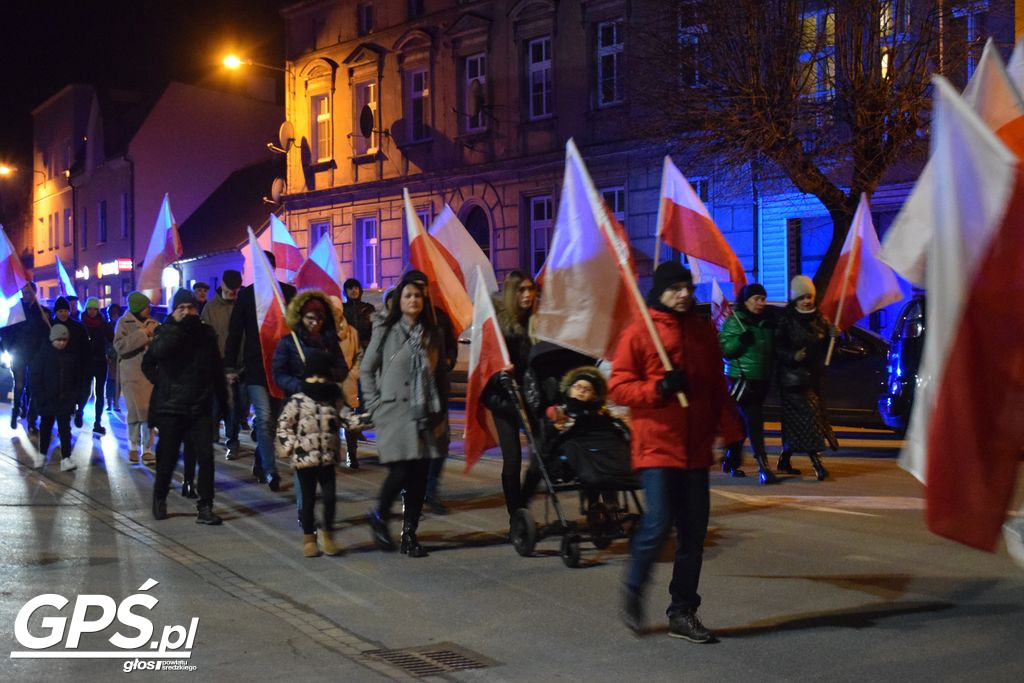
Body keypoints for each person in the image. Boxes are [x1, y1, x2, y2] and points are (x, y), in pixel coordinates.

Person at [609, 261, 743, 643]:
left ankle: (682, 611)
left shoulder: (702, 333)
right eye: (675, 288)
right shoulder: (640, 331)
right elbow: (618, 387)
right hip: (656, 447)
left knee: (693, 533)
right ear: (660, 292)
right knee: (658, 521)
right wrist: (658, 390)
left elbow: (718, 389)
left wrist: (733, 435)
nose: (684, 293)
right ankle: (633, 589)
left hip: (696, 450)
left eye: (688, 287)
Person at [362, 279, 447, 558]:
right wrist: (375, 405)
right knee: (399, 472)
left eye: (418, 296)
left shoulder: (432, 333)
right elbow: (367, 370)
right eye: (408, 295)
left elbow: (439, 376)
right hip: (394, 412)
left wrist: (440, 412)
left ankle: (409, 534)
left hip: (424, 414)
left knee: (419, 478)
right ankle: (380, 515)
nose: (413, 300)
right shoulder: (385, 330)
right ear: (399, 300)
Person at [143, 288, 228, 525]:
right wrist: (162, 382)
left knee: (206, 457)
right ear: (173, 311)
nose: (186, 312)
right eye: (181, 308)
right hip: (171, 407)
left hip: (200, 406)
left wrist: (224, 404)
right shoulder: (165, 332)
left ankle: (205, 506)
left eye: (190, 308)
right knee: (167, 457)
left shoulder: (206, 334)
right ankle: (160, 496)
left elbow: (216, 369)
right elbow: (150, 361)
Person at [273, 289, 348, 523]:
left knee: (325, 464)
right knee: (303, 462)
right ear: (301, 318)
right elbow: (279, 373)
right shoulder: (289, 343)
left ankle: (325, 519)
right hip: (300, 409)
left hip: (324, 408)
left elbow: (341, 368)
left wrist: (326, 378)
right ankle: (303, 510)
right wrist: (300, 385)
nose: (315, 323)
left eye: (319, 319)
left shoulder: (329, 342)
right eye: (310, 319)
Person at [224, 252, 297, 490]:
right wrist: (230, 365)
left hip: (282, 369)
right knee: (264, 418)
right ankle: (270, 471)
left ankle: (260, 459)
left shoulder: (287, 293)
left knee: (274, 421)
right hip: (256, 367)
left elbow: (296, 331)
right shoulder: (246, 296)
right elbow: (235, 332)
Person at [276, 350, 346, 557]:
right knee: (307, 500)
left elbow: (347, 418)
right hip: (305, 459)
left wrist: (371, 418)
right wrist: (290, 446)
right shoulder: (297, 400)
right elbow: (283, 425)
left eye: (321, 376)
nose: (317, 381)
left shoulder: (333, 398)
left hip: (327, 458)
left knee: (330, 498)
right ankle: (309, 537)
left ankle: (328, 534)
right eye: (312, 376)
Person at [402, 269, 457, 515]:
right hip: (410, 395)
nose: (419, 293)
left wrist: (446, 362)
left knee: (439, 444)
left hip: (438, 391)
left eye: (422, 287)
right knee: (414, 447)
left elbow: (452, 349)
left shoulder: (440, 318)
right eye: (413, 288)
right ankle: (412, 492)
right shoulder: (401, 322)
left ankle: (431, 492)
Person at [774, 275, 839, 481]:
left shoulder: (821, 319)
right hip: (793, 380)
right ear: (794, 299)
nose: (806, 301)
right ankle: (817, 463)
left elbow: (828, 350)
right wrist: (793, 356)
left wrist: (834, 337)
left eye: (809, 296)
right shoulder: (786, 319)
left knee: (799, 422)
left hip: (814, 378)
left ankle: (785, 458)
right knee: (809, 419)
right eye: (801, 297)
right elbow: (776, 348)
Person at [484, 270, 538, 518]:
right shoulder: (498, 323)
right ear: (512, 292)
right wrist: (500, 374)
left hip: (531, 398)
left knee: (541, 455)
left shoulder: (538, 322)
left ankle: (523, 504)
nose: (527, 295)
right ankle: (515, 515)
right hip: (503, 398)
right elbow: (485, 361)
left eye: (531, 289)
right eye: (522, 290)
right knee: (513, 459)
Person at [719, 283, 778, 484]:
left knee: (743, 425)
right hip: (741, 380)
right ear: (745, 301)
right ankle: (764, 466)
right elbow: (725, 349)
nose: (760, 303)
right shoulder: (736, 321)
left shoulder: (767, 321)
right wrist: (741, 341)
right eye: (756, 299)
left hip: (761, 379)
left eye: (763, 299)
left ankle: (730, 460)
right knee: (755, 421)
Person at [201, 269, 246, 460]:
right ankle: (220, 436)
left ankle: (232, 440)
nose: (232, 293)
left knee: (238, 405)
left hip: (241, 364)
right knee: (220, 404)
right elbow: (204, 337)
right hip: (218, 365)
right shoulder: (210, 308)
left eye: (235, 290)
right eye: (229, 289)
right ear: (222, 285)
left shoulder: (243, 305)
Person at [113, 291, 159, 464]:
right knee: (133, 410)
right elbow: (120, 346)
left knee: (148, 412)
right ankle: (133, 444)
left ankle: (147, 449)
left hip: (149, 376)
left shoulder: (154, 323)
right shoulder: (123, 323)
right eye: (146, 307)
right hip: (131, 373)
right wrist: (142, 334)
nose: (149, 310)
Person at [29, 324, 80, 472]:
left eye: (64, 340)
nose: (62, 343)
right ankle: (42, 453)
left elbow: (75, 378)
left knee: (65, 429)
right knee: (45, 428)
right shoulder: (43, 355)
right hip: (48, 399)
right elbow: (35, 377)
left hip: (65, 399)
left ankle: (66, 457)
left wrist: (74, 396)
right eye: (59, 340)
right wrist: (41, 397)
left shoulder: (70, 356)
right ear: (52, 339)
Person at [1, 282, 50, 433]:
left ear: (35, 293)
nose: (26, 295)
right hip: (19, 352)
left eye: (29, 292)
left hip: (36, 353)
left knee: (34, 387)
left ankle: (31, 419)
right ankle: (16, 410)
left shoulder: (41, 311)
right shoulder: (16, 310)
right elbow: (6, 331)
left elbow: (49, 332)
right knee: (20, 384)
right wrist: (5, 350)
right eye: (24, 292)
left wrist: (46, 319)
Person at [342, 277, 376, 469]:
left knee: (363, 401)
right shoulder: (343, 310)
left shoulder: (368, 309)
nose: (353, 291)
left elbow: (373, 331)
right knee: (349, 405)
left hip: (366, 358)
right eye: (349, 288)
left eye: (355, 288)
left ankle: (358, 427)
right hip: (348, 361)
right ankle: (351, 452)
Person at [327, 295, 363, 465]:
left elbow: (359, 355)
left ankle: (352, 453)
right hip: (330, 383)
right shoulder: (323, 333)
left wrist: (354, 373)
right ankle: (333, 453)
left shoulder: (352, 333)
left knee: (350, 422)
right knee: (330, 421)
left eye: (336, 311)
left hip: (348, 382)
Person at [51, 297, 90, 428]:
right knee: (63, 398)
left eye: (65, 310)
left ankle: (79, 411)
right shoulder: (50, 325)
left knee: (80, 393)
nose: (63, 313)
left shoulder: (78, 327)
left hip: (76, 367)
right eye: (60, 311)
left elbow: (85, 347)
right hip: (58, 367)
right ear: (56, 312)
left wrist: (84, 364)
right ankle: (64, 425)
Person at [81, 298, 114, 435]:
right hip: (86, 362)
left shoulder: (104, 325)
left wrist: (110, 353)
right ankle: (79, 411)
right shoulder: (81, 325)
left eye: (94, 309)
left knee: (99, 393)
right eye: (90, 309)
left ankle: (97, 422)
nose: (92, 311)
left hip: (100, 362)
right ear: (86, 310)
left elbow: (112, 341)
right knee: (85, 391)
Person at [104, 303, 123, 412]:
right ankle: (109, 402)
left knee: (118, 381)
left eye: (116, 313)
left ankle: (116, 402)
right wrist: (108, 353)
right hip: (111, 357)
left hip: (120, 357)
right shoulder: (108, 326)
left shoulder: (122, 326)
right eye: (113, 313)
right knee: (110, 380)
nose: (115, 315)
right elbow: (106, 341)